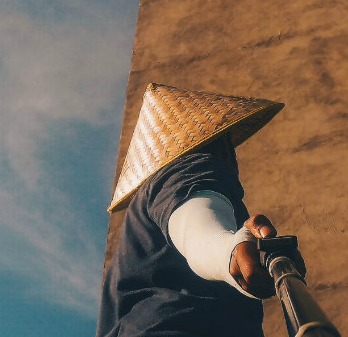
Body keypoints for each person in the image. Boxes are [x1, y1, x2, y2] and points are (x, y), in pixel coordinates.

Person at [96, 83, 301, 337]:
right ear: (222, 145)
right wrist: (230, 252)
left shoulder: (141, 217)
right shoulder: (193, 168)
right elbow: (196, 227)